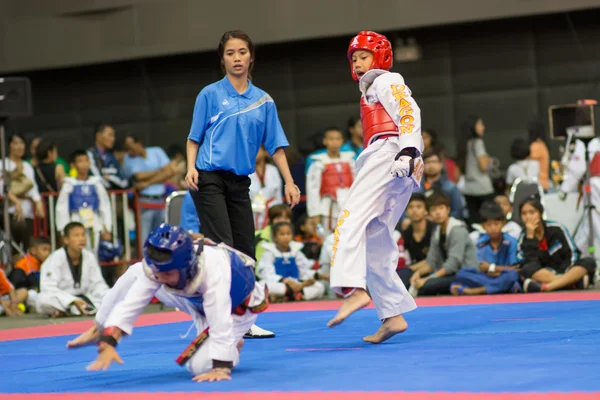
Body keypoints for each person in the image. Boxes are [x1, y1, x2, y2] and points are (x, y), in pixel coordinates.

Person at [67, 224, 268, 383]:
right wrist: (109, 340)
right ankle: (97, 328)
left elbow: (220, 319)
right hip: (195, 300)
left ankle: (233, 345)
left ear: (185, 265)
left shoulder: (214, 270)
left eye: (167, 273)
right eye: (158, 272)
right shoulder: (160, 268)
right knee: (137, 272)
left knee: (199, 367)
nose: (160, 278)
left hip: (235, 310)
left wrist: (221, 366)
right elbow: (132, 303)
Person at [327, 31, 423, 344]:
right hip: (392, 158)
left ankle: (351, 289)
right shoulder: (370, 90)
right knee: (376, 235)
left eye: (363, 56)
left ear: (379, 57)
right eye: (354, 58)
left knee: (350, 217)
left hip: (390, 153)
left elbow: (409, 111)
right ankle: (392, 314)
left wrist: (409, 149)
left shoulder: (386, 80)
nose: (357, 63)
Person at [185, 30, 300, 262]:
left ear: (251, 57)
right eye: (230, 53)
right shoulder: (209, 94)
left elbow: (276, 146)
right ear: (222, 59)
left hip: (239, 183)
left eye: (242, 52)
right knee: (222, 247)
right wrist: (190, 168)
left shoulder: (264, 101)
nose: (236, 58)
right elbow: (193, 138)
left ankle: (244, 298)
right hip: (209, 178)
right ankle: (220, 298)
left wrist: (289, 182)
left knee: (246, 251)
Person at [517, 195, 596, 292]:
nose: (528, 217)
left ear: (540, 213)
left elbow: (573, 253)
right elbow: (529, 262)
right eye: (524, 214)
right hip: (544, 273)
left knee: (588, 261)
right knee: (526, 269)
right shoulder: (523, 238)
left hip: (565, 270)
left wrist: (565, 272)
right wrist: (530, 236)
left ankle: (548, 287)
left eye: (532, 212)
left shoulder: (557, 228)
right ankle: (571, 282)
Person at [37, 222, 109, 318]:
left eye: (83, 235)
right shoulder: (55, 258)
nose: (81, 239)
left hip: (87, 299)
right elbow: (48, 287)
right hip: (64, 300)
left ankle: (70, 312)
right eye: (76, 235)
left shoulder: (89, 256)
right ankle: (72, 309)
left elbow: (98, 284)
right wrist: (72, 301)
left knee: (111, 294)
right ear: (66, 240)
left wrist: (108, 295)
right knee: (42, 299)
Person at [450, 201, 521, 296]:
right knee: (462, 273)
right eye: (489, 225)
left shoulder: (511, 242)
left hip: (503, 275)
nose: (493, 228)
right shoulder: (480, 243)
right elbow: (481, 267)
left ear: (503, 223)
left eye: (496, 224)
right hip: (487, 276)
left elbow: (514, 268)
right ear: (483, 226)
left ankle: (474, 291)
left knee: (512, 276)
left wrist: (493, 268)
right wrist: (492, 270)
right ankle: (500, 288)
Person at [56, 150, 113, 252]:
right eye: (80, 161)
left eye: (86, 161)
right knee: (77, 251)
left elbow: (105, 205)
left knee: (93, 251)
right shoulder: (69, 184)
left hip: (94, 221)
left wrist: (107, 226)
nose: (83, 164)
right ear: (73, 165)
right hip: (75, 220)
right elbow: (61, 208)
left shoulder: (96, 183)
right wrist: (62, 229)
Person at [256, 222, 326, 302]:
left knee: (319, 286)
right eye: (282, 234)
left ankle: (289, 295)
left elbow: (304, 270)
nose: (286, 237)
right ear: (275, 237)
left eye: (288, 234)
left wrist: (314, 276)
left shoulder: (296, 251)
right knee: (263, 285)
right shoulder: (269, 252)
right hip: (281, 284)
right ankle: (295, 294)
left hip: (296, 283)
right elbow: (266, 273)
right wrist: (285, 281)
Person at [306, 127, 355, 235]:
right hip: (328, 207)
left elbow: (357, 184)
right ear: (325, 141)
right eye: (331, 139)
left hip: (349, 204)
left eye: (337, 139)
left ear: (342, 141)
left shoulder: (350, 160)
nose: (334, 142)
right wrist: (314, 213)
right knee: (329, 238)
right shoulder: (318, 163)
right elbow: (312, 189)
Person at [456, 115, 494, 224]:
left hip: (468, 189)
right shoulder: (478, 142)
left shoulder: (463, 144)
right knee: (487, 221)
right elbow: (483, 166)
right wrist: (489, 161)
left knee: (474, 222)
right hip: (482, 188)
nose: (483, 127)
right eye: (480, 124)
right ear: (473, 126)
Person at [249, 146, 283, 230]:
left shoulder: (273, 170)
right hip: (252, 211)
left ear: (265, 152)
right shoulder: (246, 171)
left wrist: (279, 213)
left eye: (257, 150)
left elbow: (278, 195)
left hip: (271, 211)